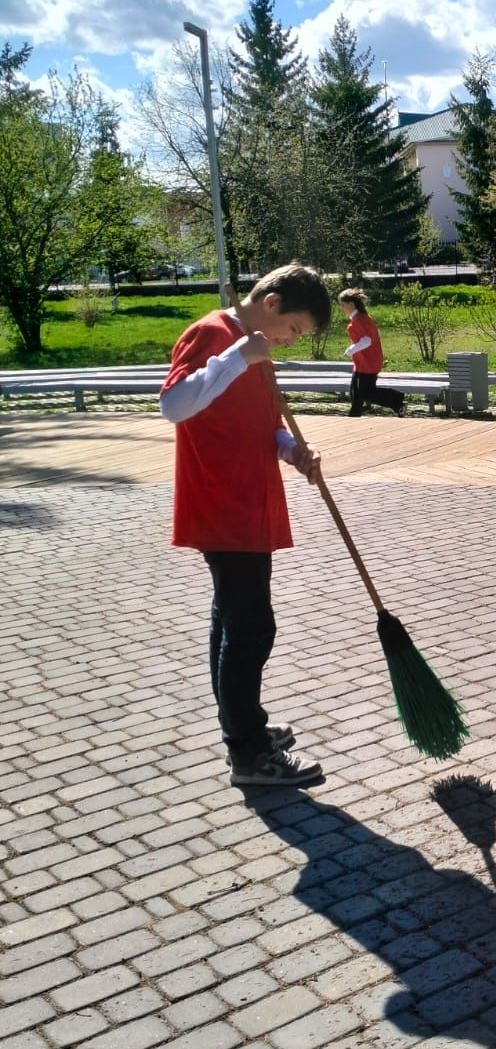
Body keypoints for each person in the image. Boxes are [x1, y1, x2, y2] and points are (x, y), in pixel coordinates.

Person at [159, 264, 333, 788]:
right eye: (296, 330)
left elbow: (264, 424)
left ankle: (242, 729)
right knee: (252, 627)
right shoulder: (215, 334)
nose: (291, 341)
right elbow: (174, 405)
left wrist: (291, 450)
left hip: (250, 507)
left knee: (232, 622)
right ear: (274, 303)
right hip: (223, 506)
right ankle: (249, 754)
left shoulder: (256, 351)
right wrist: (238, 356)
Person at [339, 288, 406, 417]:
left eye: (343, 305)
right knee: (355, 392)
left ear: (351, 305)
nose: (341, 308)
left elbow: (367, 341)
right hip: (361, 363)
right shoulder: (360, 318)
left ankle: (398, 399)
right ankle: (354, 416)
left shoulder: (360, 319)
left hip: (369, 363)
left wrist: (351, 350)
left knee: (367, 393)